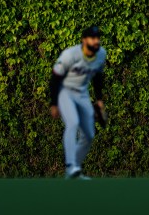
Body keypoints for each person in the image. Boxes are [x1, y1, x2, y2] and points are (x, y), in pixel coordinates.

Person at [49, 25, 106, 180]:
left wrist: (99, 99)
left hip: (82, 93)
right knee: (73, 123)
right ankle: (70, 164)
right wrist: (54, 103)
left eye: (97, 38)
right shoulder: (70, 54)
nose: (96, 41)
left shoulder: (101, 54)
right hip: (65, 92)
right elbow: (55, 78)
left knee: (89, 135)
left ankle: (74, 170)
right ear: (84, 40)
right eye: (92, 38)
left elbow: (98, 78)